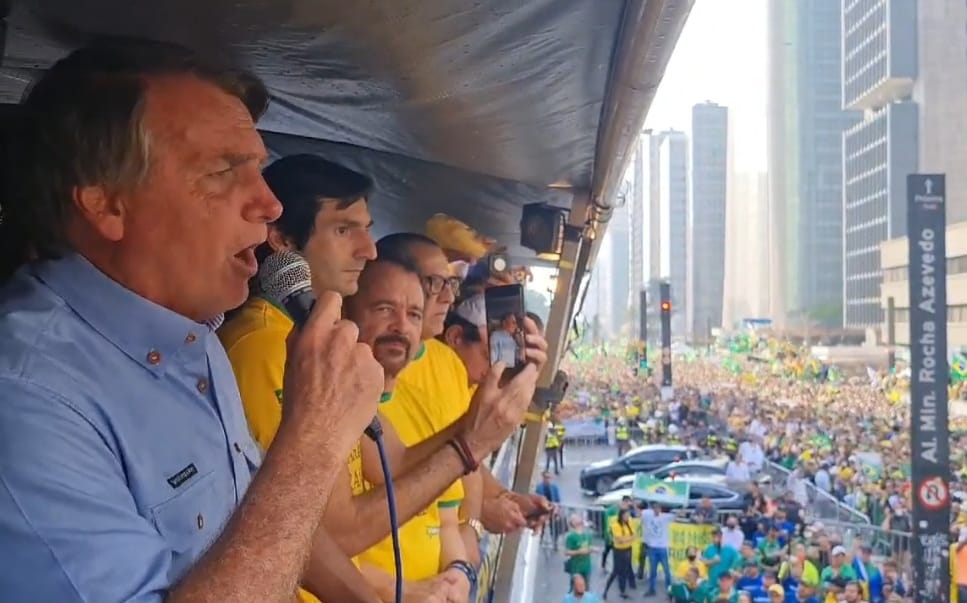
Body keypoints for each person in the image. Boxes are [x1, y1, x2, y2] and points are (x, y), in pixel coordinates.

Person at [0, 38, 381, 602]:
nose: (271, 205)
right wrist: (314, 441)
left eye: (259, 170)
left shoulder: (193, 336)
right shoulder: (27, 400)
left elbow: (257, 516)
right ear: (106, 204)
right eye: (225, 170)